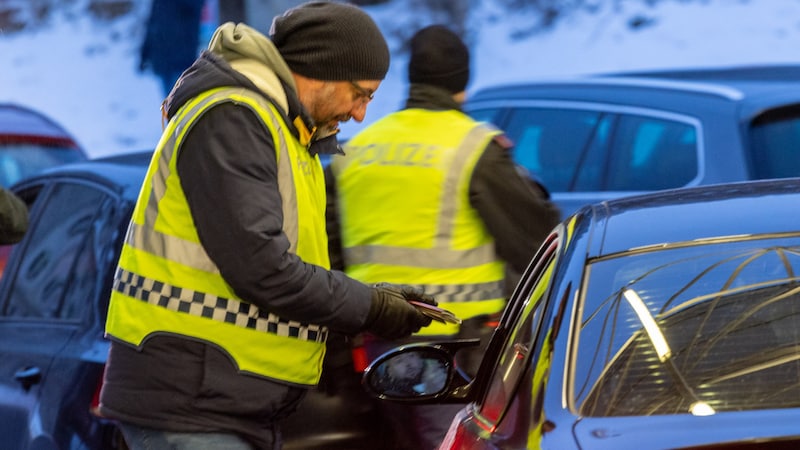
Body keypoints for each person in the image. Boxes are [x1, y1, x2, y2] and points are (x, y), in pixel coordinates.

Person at [98, 2, 439, 449]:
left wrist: (374, 300)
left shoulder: (290, 134)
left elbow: (292, 266)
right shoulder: (235, 117)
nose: (360, 114)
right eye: (362, 94)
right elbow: (262, 267)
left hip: (222, 399)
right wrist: (371, 309)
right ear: (323, 71)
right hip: (192, 402)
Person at [326, 24, 561, 450]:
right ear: (462, 82)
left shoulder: (358, 150)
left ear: (412, 77)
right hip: (455, 347)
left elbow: (326, 253)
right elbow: (539, 245)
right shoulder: (473, 148)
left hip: (374, 345)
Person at [139, 0, 205, 97]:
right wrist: (144, 55)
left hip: (182, 61)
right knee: (170, 104)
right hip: (163, 62)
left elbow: (195, 9)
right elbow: (152, 26)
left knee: (181, 103)